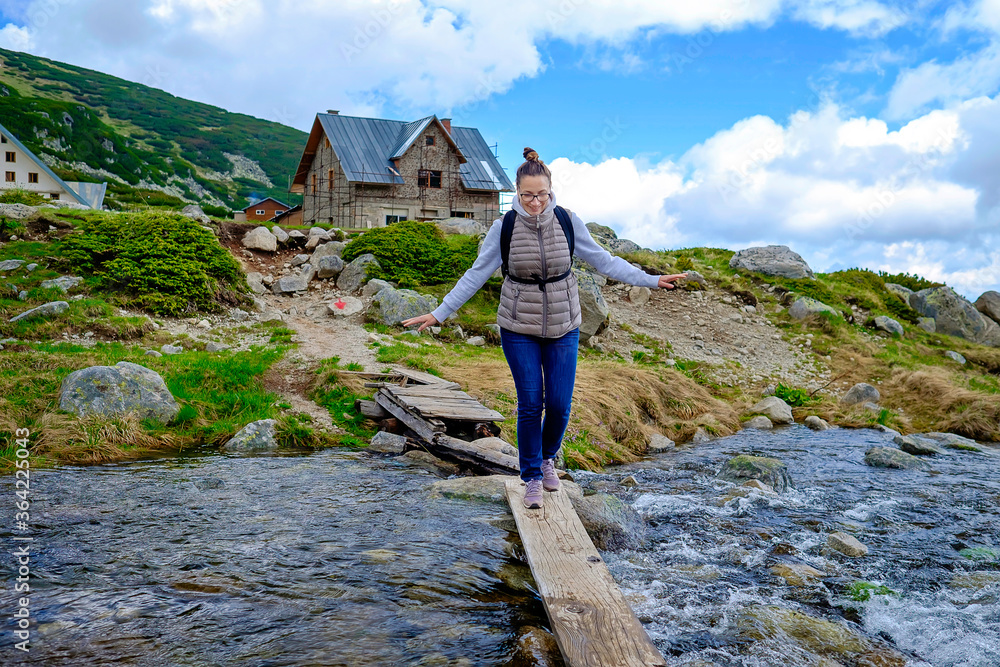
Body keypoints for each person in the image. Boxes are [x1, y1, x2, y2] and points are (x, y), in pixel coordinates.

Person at [402, 147, 686, 509]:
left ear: (551, 191)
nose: (535, 203)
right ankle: (532, 476)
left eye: (542, 195)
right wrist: (440, 313)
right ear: (517, 193)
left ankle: (548, 457)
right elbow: (476, 274)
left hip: (564, 324)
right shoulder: (503, 227)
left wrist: (650, 278)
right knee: (531, 404)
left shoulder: (567, 220)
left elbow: (604, 261)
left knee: (561, 405)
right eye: (527, 195)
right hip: (519, 326)